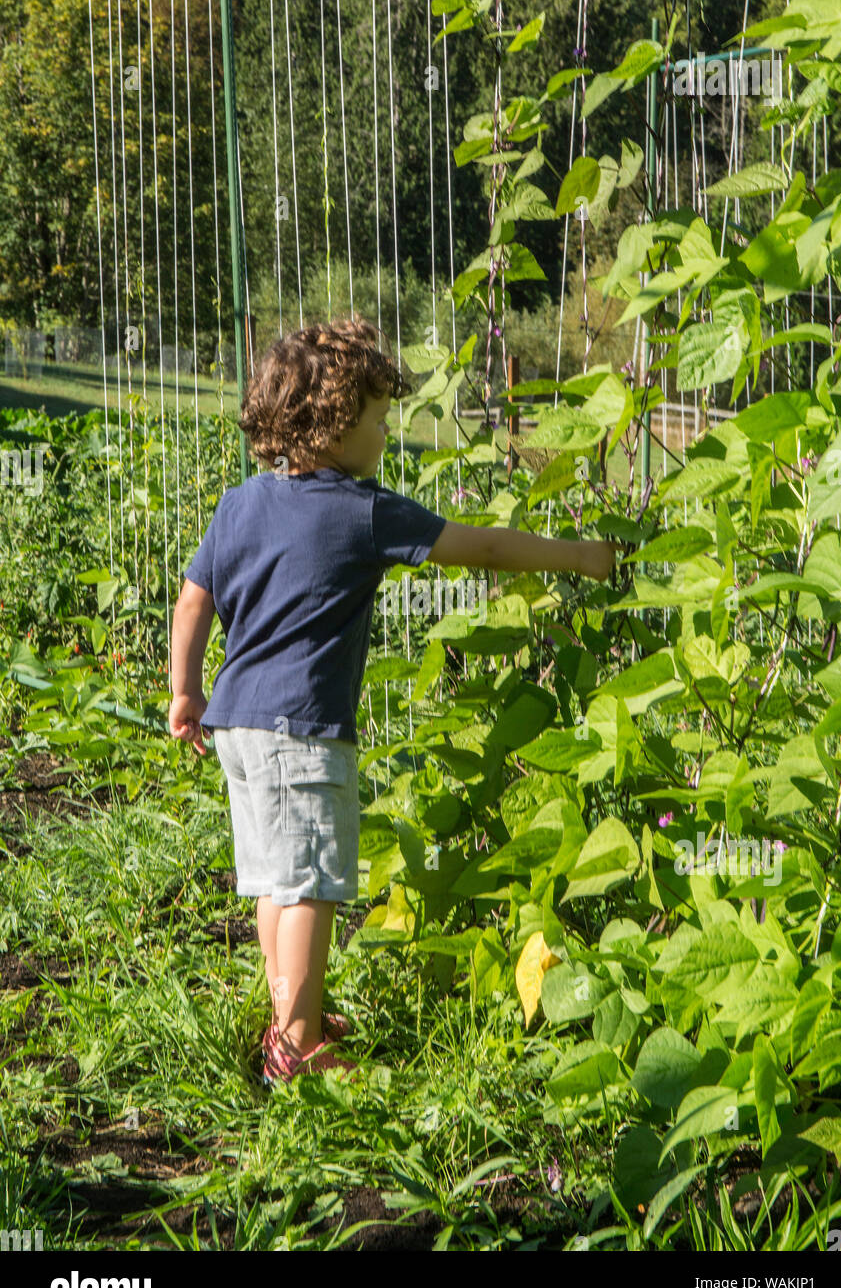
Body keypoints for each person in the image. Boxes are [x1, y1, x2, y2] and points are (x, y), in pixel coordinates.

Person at [168, 315, 616, 1087]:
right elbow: (483, 546)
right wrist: (578, 555)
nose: (386, 433)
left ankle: (288, 1017)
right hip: (302, 728)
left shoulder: (240, 504)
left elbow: (192, 598)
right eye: (379, 420)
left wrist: (185, 689)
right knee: (311, 883)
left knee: (277, 881)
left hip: (236, 722)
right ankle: (299, 1045)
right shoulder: (362, 509)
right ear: (334, 427)